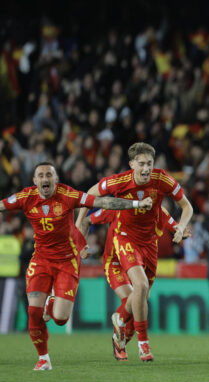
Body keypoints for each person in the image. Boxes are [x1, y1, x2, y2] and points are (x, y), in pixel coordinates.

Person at [1, 161, 153, 370]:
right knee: (34, 312)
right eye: (41, 175)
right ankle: (43, 358)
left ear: (56, 179)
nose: (45, 179)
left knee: (61, 319)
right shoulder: (25, 197)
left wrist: (136, 204)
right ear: (35, 180)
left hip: (67, 261)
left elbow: (103, 203)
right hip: (41, 260)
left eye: (49, 175)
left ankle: (51, 302)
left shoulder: (68, 195)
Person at [76, 142, 193, 362]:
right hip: (121, 248)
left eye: (149, 163)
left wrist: (179, 227)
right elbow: (89, 199)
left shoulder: (162, 184)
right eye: (141, 163)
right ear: (132, 165)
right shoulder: (118, 188)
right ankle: (144, 345)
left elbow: (186, 208)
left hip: (149, 247)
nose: (146, 168)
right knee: (140, 288)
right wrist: (80, 227)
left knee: (137, 301)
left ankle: (120, 332)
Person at [79, 205, 185, 360]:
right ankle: (134, 337)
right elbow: (87, 220)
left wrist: (182, 230)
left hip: (141, 259)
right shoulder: (118, 206)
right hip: (116, 262)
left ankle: (120, 338)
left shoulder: (156, 209)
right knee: (136, 298)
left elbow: (174, 225)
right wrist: (82, 245)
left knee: (140, 300)